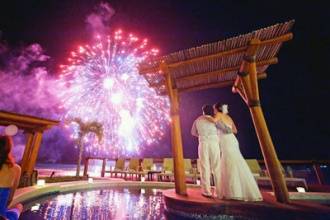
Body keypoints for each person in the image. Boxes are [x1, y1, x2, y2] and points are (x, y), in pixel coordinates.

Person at [210, 103, 263, 201]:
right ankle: (242, 190)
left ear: (217, 109)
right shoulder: (228, 117)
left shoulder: (218, 115)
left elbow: (216, 124)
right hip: (233, 140)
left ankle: (233, 191)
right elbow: (235, 130)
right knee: (236, 161)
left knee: (229, 162)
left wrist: (222, 128)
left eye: (214, 109)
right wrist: (227, 129)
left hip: (226, 140)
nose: (213, 111)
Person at [191, 105, 221, 198]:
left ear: (203, 111)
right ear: (211, 111)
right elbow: (220, 131)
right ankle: (219, 191)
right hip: (214, 144)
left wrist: (201, 135)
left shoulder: (197, 120)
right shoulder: (214, 120)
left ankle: (206, 192)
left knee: (204, 167)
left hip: (203, 143)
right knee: (217, 167)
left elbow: (193, 132)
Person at [0, 136, 23, 220]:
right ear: (9, 149)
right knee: (19, 206)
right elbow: (9, 199)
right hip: (2, 216)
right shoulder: (16, 169)